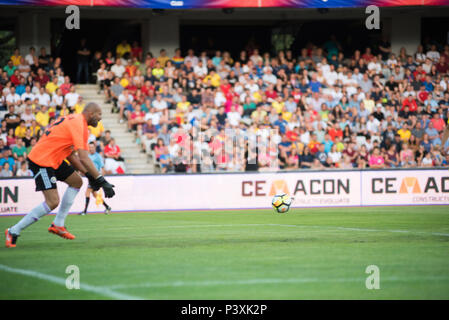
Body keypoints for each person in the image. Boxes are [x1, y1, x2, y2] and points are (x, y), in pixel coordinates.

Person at [5, 103, 116, 248]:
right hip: (42, 160)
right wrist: (101, 180)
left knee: (76, 182)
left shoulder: (74, 120)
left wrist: (89, 176)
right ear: (90, 113)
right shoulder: (79, 124)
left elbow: (70, 155)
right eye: (99, 114)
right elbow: (83, 157)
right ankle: (13, 231)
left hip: (54, 159)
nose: (100, 119)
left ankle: (58, 224)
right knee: (52, 201)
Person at [79, 142, 112, 215]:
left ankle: (85, 211)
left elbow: (102, 168)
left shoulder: (98, 156)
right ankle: (107, 207)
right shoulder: (87, 156)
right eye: (89, 147)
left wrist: (101, 179)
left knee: (87, 192)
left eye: (92, 147)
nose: (91, 149)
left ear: (95, 148)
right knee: (94, 194)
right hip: (90, 177)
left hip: (95, 177)